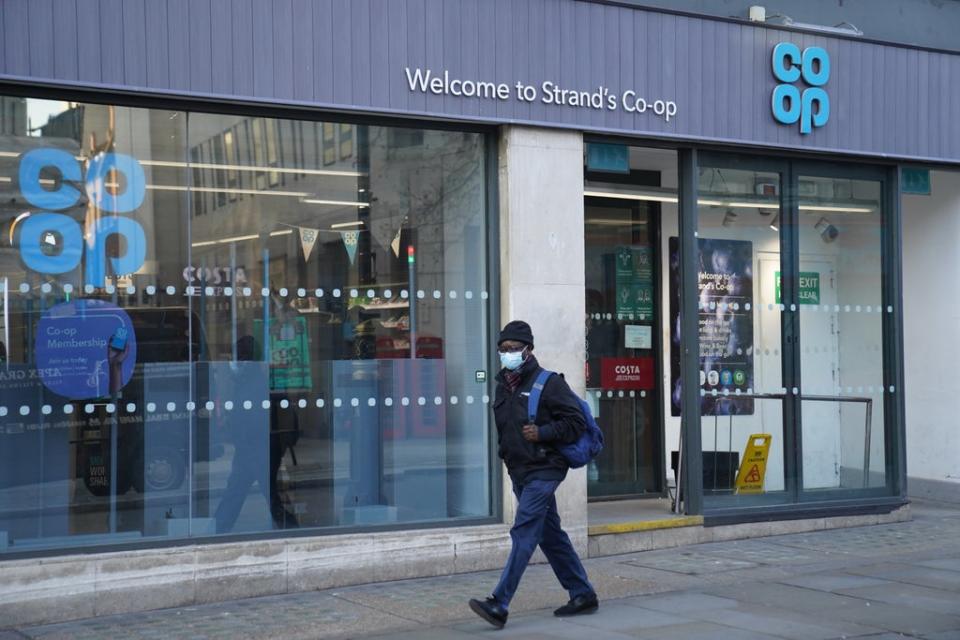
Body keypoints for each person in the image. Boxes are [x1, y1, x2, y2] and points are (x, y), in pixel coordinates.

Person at [468, 320, 599, 629]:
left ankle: (499, 603)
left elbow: (576, 423)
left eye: (514, 349)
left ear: (528, 350)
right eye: (503, 349)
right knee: (549, 534)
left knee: (524, 530)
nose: (508, 354)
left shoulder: (549, 383)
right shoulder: (503, 386)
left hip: (546, 468)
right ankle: (582, 593)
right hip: (520, 470)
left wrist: (543, 432)